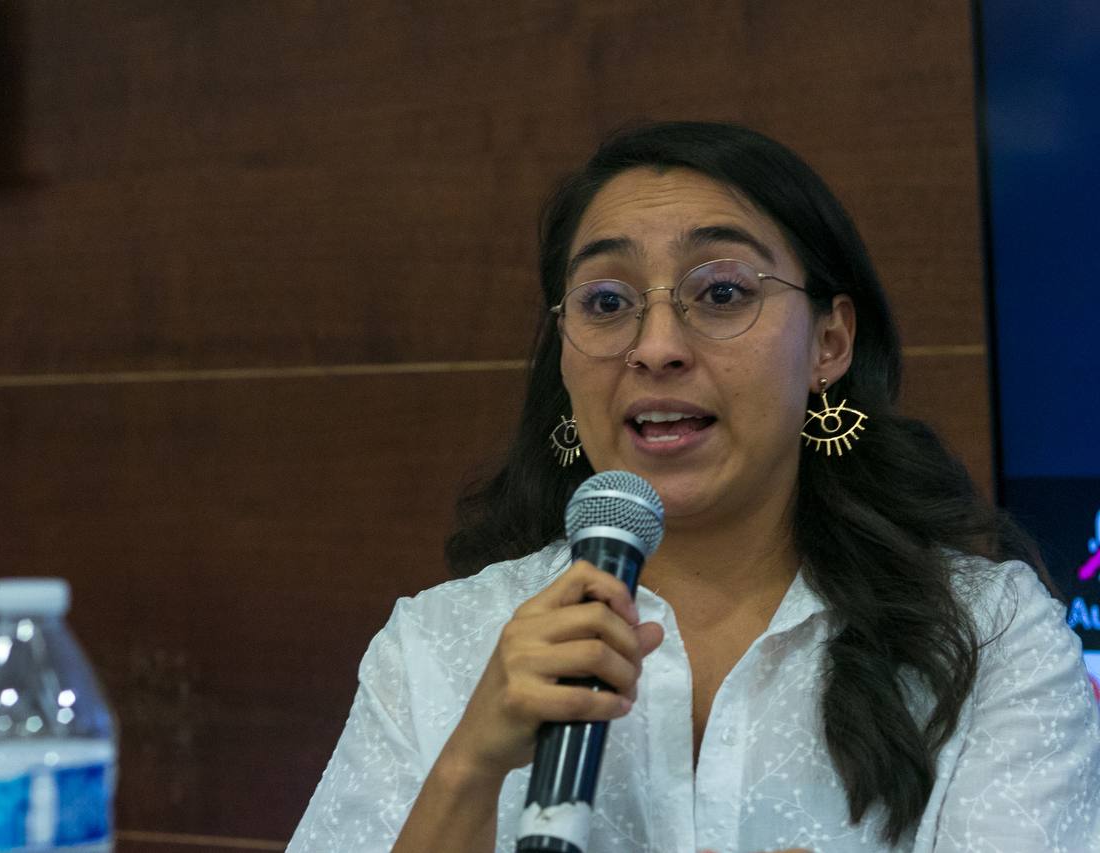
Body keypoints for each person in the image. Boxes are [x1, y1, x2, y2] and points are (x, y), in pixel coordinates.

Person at [286, 122, 1100, 852]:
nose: (656, 347)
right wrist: (470, 765)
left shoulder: (989, 635)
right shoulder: (434, 646)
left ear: (829, 342)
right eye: (607, 301)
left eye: (722, 292)